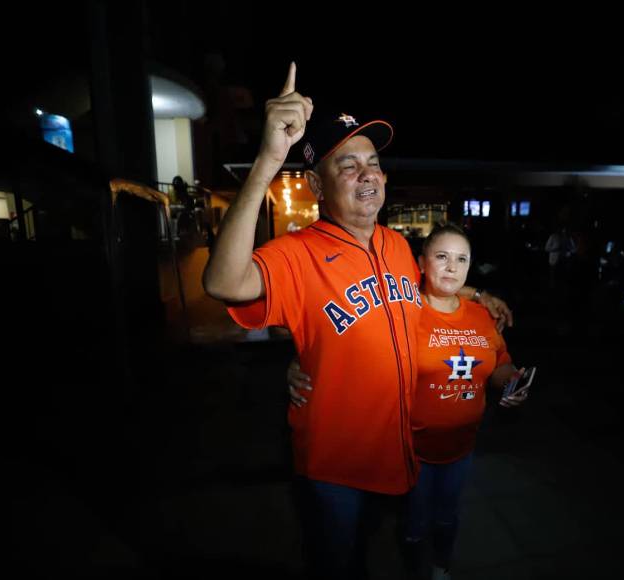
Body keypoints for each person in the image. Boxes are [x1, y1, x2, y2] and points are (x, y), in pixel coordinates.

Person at [202, 63, 512, 579]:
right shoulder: (295, 253)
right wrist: (268, 160)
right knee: (337, 562)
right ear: (318, 187)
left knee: (388, 547)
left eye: (372, 161)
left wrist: (478, 290)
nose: (367, 172)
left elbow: (422, 285)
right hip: (336, 465)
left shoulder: (395, 244)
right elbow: (224, 282)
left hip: (401, 448)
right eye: (347, 165)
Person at [289, 224, 530, 579]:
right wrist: (298, 362)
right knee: (414, 523)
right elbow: (343, 335)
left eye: (461, 259)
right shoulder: (402, 313)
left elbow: (499, 362)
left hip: (462, 448)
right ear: (420, 263)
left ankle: (441, 567)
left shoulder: (484, 317)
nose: (451, 267)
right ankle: (416, 568)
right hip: (410, 449)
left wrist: (510, 380)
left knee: (448, 516)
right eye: (441, 257)